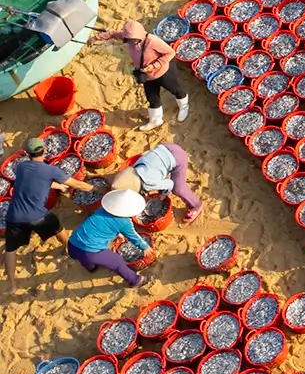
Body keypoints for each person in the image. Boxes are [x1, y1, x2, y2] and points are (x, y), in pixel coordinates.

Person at [6, 138, 92, 291]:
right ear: (44, 151)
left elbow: (34, 180)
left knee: (10, 250)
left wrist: (57, 185)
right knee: (58, 228)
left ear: (27, 153)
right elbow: (78, 184)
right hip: (37, 215)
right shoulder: (51, 170)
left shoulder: (21, 167)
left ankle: (12, 284)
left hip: (15, 216)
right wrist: (98, 189)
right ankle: (68, 248)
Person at [94, 20, 187, 129]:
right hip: (147, 76)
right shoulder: (128, 37)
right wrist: (97, 37)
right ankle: (156, 120)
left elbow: (170, 52)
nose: (130, 42)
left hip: (163, 72)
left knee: (176, 89)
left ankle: (184, 106)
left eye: (132, 40)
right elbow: (113, 34)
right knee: (152, 98)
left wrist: (154, 66)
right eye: (128, 40)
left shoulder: (152, 41)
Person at [66, 190, 153, 288]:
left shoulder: (102, 210)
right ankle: (136, 281)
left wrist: (118, 233)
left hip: (72, 244)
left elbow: (104, 225)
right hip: (91, 252)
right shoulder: (125, 222)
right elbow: (133, 236)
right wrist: (145, 247)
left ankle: (91, 268)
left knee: (85, 260)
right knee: (117, 261)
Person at [120, 141, 205, 223]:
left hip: (178, 157)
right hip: (165, 148)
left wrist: (162, 195)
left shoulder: (148, 184)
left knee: (178, 188)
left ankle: (196, 204)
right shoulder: (133, 170)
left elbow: (170, 184)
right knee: (159, 173)